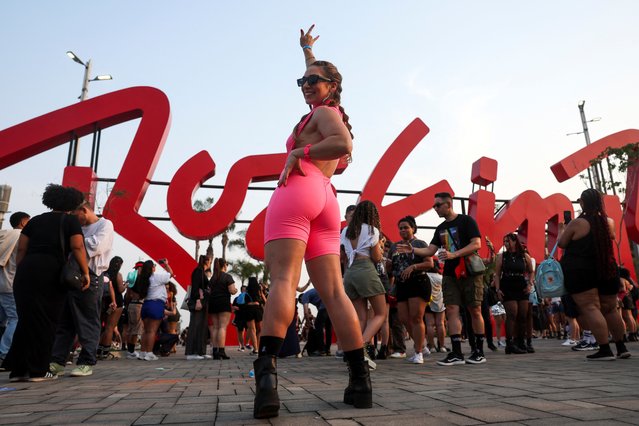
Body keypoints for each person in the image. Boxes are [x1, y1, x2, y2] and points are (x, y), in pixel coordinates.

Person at [253, 25, 370, 419]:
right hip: (326, 202)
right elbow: (323, 91)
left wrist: (297, 152)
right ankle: (359, 382)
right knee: (335, 293)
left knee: (284, 280)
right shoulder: (328, 110)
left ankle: (267, 381)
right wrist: (306, 51)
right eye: (302, 81)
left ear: (332, 86)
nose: (305, 85)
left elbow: (344, 145)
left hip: (299, 191)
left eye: (313, 81)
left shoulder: (322, 115)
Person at [2, 185, 90, 382]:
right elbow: (77, 246)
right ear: (72, 203)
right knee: (47, 321)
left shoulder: (34, 221)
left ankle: (18, 370)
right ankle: (38, 371)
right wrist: (85, 272)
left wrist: (23, 272)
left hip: (27, 270)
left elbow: (21, 251)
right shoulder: (70, 221)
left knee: (26, 319)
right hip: (52, 271)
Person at [407, 192, 486, 366]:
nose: (435, 208)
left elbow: (477, 243)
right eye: (434, 205)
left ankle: (478, 351)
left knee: (475, 310)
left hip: (470, 271)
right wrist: (412, 250)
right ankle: (456, 352)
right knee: (451, 309)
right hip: (449, 273)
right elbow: (430, 251)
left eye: (437, 205)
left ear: (448, 205)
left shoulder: (466, 221)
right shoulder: (440, 228)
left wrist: (454, 254)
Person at [558, 188, 630, 360]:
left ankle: (605, 349)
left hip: (582, 271)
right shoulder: (609, 221)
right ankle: (621, 347)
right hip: (607, 268)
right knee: (611, 309)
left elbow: (562, 243)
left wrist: (563, 228)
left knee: (590, 307)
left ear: (582, 202)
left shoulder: (578, 223)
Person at [49, 197, 114, 377]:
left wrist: (74, 244)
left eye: (74, 214)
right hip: (70, 276)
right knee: (65, 321)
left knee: (88, 320)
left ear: (84, 210)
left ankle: (86, 361)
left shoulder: (105, 224)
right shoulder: (76, 227)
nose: (72, 218)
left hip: (92, 277)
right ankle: (57, 361)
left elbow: (96, 246)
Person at [341, 200, 386, 365]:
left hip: (350, 273)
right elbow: (376, 257)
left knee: (360, 318)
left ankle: (353, 354)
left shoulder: (345, 231)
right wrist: (380, 247)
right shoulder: (371, 230)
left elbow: (344, 256)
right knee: (381, 313)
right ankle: (361, 347)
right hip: (365, 269)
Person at [389, 216, 433, 364]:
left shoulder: (420, 243)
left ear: (413, 228)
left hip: (418, 281)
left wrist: (413, 266)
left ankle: (418, 352)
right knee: (403, 318)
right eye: (400, 228)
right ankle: (422, 345)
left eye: (406, 227)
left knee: (416, 317)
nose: (403, 230)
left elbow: (429, 263)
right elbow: (391, 266)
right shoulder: (394, 247)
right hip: (401, 285)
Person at [494, 233, 534, 354]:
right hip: (508, 285)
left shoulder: (524, 256)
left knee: (523, 315)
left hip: (521, 285)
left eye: (508, 241)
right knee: (512, 314)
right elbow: (497, 274)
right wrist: (498, 289)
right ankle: (509, 343)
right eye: (504, 241)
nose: (506, 243)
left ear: (515, 241)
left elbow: (531, 271)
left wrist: (529, 284)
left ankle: (521, 342)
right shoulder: (502, 256)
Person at [0, 211, 30, 365]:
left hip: (1, 284)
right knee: (15, 318)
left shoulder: (4, 235)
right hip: (11, 284)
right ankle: (4, 352)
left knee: (2, 320)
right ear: (23, 222)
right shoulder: (21, 236)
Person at [136, 259, 175, 361]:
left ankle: (142, 352)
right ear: (152, 268)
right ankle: (149, 353)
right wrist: (166, 265)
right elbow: (171, 274)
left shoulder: (143, 279)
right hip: (156, 304)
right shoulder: (156, 277)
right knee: (152, 331)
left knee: (146, 331)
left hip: (146, 305)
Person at [208, 257, 237, 359]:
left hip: (213, 303)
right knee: (222, 327)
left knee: (215, 327)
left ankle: (215, 351)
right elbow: (232, 290)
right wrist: (236, 290)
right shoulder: (227, 277)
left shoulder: (213, 278)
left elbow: (209, 291)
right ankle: (221, 351)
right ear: (224, 265)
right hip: (223, 303)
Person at [97, 256, 125, 360]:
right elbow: (121, 289)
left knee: (104, 327)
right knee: (110, 327)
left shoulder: (105, 273)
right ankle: (105, 351)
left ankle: (99, 350)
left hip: (105, 301)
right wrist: (125, 285)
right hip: (116, 302)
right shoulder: (118, 275)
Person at [185, 255, 211, 360]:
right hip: (198, 301)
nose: (210, 263)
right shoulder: (198, 271)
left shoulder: (201, 272)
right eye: (209, 261)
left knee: (202, 327)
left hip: (203, 302)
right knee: (195, 326)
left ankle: (200, 351)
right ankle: (192, 353)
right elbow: (195, 287)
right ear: (206, 261)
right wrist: (197, 300)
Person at [124, 261, 144, 359]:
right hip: (138, 305)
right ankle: (131, 351)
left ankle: (129, 350)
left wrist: (127, 304)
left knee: (130, 328)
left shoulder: (131, 280)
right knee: (136, 329)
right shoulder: (141, 280)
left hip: (131, 304)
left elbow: (127, 295)